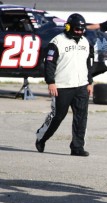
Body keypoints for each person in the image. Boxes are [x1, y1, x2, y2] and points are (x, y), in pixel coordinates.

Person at [35, 13, 93, 157]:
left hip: (81, 86)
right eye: (76, 29)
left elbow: (89, 64)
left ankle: (77, 147)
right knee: (58, 116)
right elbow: (49, 63)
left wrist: (90, 82)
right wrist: (51, 82)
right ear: (68, 27)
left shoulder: (85, 42)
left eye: (81, 29)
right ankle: (41, 137)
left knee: (81, 117)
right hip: (61, 86)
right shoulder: (57, 42)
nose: (79, 31)